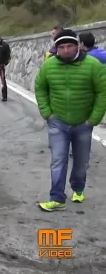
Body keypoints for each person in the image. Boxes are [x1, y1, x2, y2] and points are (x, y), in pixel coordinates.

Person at [35, 29, 106, 212]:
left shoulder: (93, 65)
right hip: (57, 122)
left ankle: (78, 188)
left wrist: (93, 119)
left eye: (69, 46)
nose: (66, 50)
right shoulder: (49, 66)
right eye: (62, 47)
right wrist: (47, 113)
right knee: (58, 160)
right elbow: (40, 88)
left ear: (78, 46)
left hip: (83, 123)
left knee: (81, 162)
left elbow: (102, 92)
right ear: (56, 48)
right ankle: (57, 198)